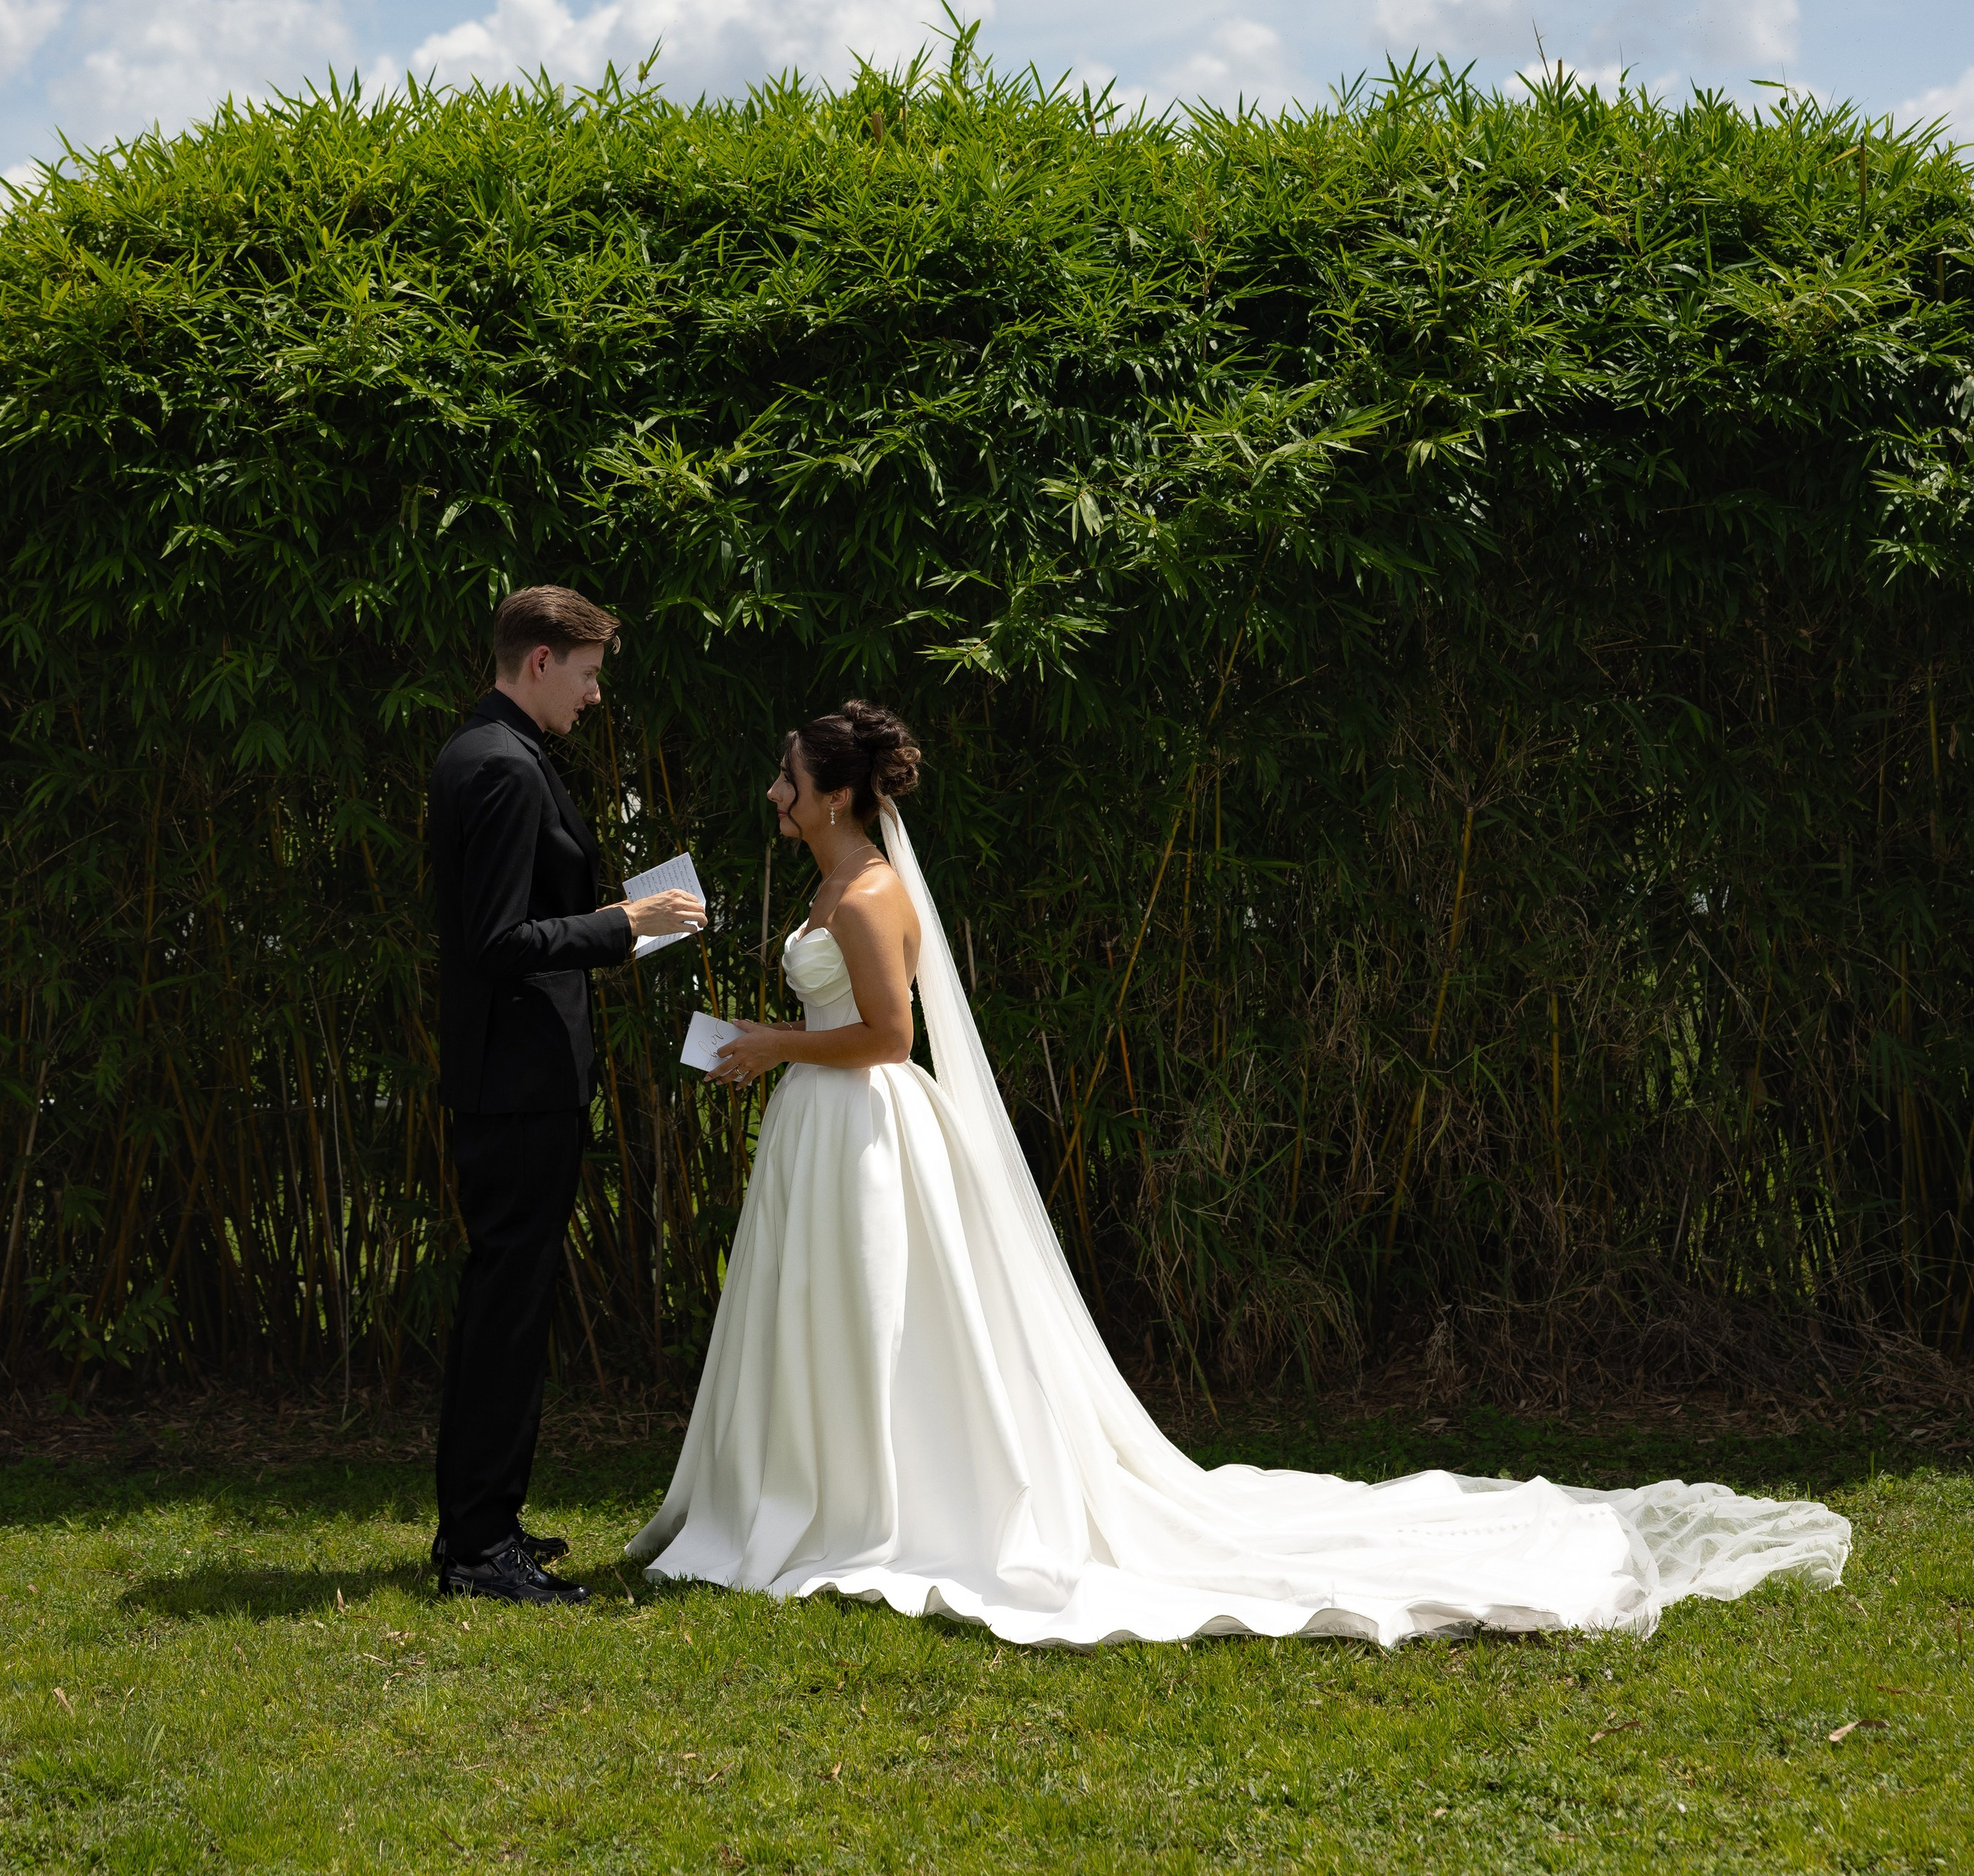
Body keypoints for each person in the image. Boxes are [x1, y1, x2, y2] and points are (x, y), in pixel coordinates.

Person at [629, 699, 1851, 1645]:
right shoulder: (836, 879)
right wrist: (772, 1042)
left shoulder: (863, 893)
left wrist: (776, 1043)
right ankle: (829, 1477)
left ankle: (868, 1497)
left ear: (835, 791)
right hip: (832, 1122)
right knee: (836, 1319)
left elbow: (894, 1036)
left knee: (880, 1316)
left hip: (868, 1124)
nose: (775, 791)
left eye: (790, 775)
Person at [429, 585, 703, 1606]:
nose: (594, 696)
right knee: (506, 1309)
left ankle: (483, 1521)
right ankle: (475, 1549)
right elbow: (497, 942)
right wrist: (622, 922)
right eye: (588, 675)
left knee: (507, 1304)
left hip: (516, 1077)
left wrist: (609, 923)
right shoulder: (500, 766)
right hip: (517, 1084)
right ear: (539, 658)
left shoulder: (491, 750)